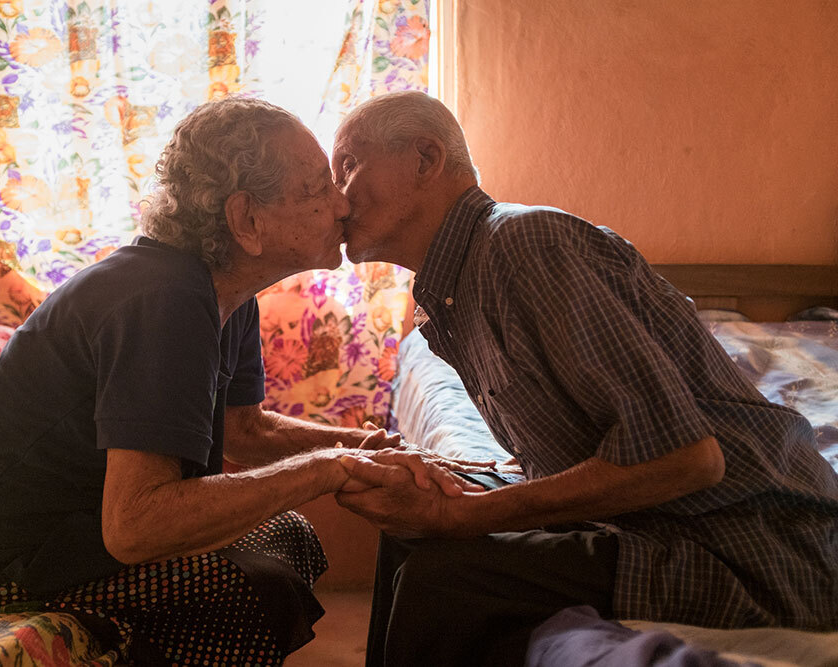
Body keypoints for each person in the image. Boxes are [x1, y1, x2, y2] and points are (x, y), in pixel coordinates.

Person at [0, 97, 483, 666]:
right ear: (247, 221)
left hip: (74, 523)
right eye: (317, 189)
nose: (342, 204)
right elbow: (135, 526)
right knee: (253, 588)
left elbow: (245, 432)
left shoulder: (224, 290)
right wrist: (327, 467)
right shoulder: (166, 301)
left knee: (287, 537)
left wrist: (363, 448)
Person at [328, 90, 838, 666]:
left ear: (425, 159)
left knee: (442, 577)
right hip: (656, 521)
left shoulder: (526, 246)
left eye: (347, 166)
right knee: (408, 526)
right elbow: (575, 447)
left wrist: (466, 514)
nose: (335, 196)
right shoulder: (453, 292)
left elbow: (688, 458)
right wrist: (454, 482)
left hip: (753, 547)